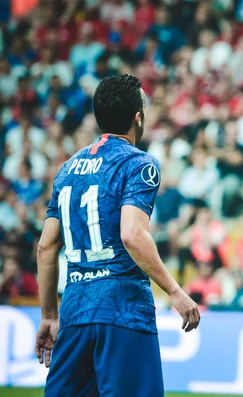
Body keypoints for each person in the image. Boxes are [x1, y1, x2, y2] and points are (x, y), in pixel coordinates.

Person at [35, 74, 200, 396]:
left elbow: (45, 247)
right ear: (138, 117)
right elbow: (132, 234)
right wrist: (176, 292)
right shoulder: (138, 164)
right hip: (123, 308)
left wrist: (48, 315)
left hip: (75, 309)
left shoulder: (67, 168)